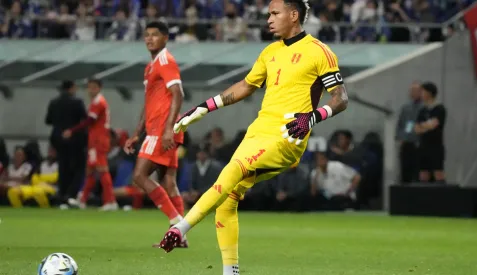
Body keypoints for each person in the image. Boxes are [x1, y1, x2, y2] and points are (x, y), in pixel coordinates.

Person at [158, 1, 349, 274]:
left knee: (233, 170)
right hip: (258, 131)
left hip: (288, 134)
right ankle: (230, 271)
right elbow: (247, 85)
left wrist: (313, 117)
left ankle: (181, 227)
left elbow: (340, 98)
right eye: (268, 14)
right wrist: (204, 107)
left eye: (274, 13)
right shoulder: (270, 52)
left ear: (294, 15)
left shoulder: (320, 52)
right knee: (228, 199)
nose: (268, 19)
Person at [123, 21, 187, 245]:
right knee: (168, 181)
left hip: (163, 128)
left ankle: (177, 221)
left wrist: (168, 128)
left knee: (139, 176)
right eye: (146, 35)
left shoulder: (165, 61)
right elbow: (149, 102)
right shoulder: (150, 67)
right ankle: (181, 236)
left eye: (154, 35)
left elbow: (178, 94)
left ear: (165, 38)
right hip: (159, 127)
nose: (149, 39)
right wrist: (136, 134)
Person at [64, 78, 117, 210]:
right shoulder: (97, 101)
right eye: (89, 87)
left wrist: (72, 130)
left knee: (102, 169)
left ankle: (110, 201)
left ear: (99, 88)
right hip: (95, 140)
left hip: (99, 141)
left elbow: (90, 120)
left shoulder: (98, 102)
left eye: (93, 87)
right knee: (91, 171)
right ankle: (82, 200)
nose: (91, 90)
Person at [45, 80, 88, 207]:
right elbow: (84, 120)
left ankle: (62, 194)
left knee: (63, 166)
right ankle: (71, 195)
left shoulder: (54, 102)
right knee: (78, 168)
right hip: (75, 140)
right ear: (72, 88)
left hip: (57, 138)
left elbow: (48, 120)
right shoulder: (77, 102)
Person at [414, 82, 446, 183]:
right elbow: (416, 129)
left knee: (438, 173)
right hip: (423, 146)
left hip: (436, 146)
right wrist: (426, 126)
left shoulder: (440, 109)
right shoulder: (422, 111)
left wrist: (425, 125)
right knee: (423, 174)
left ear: (429, 93)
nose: (421, 94)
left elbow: (434, 124)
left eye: (422, 91)